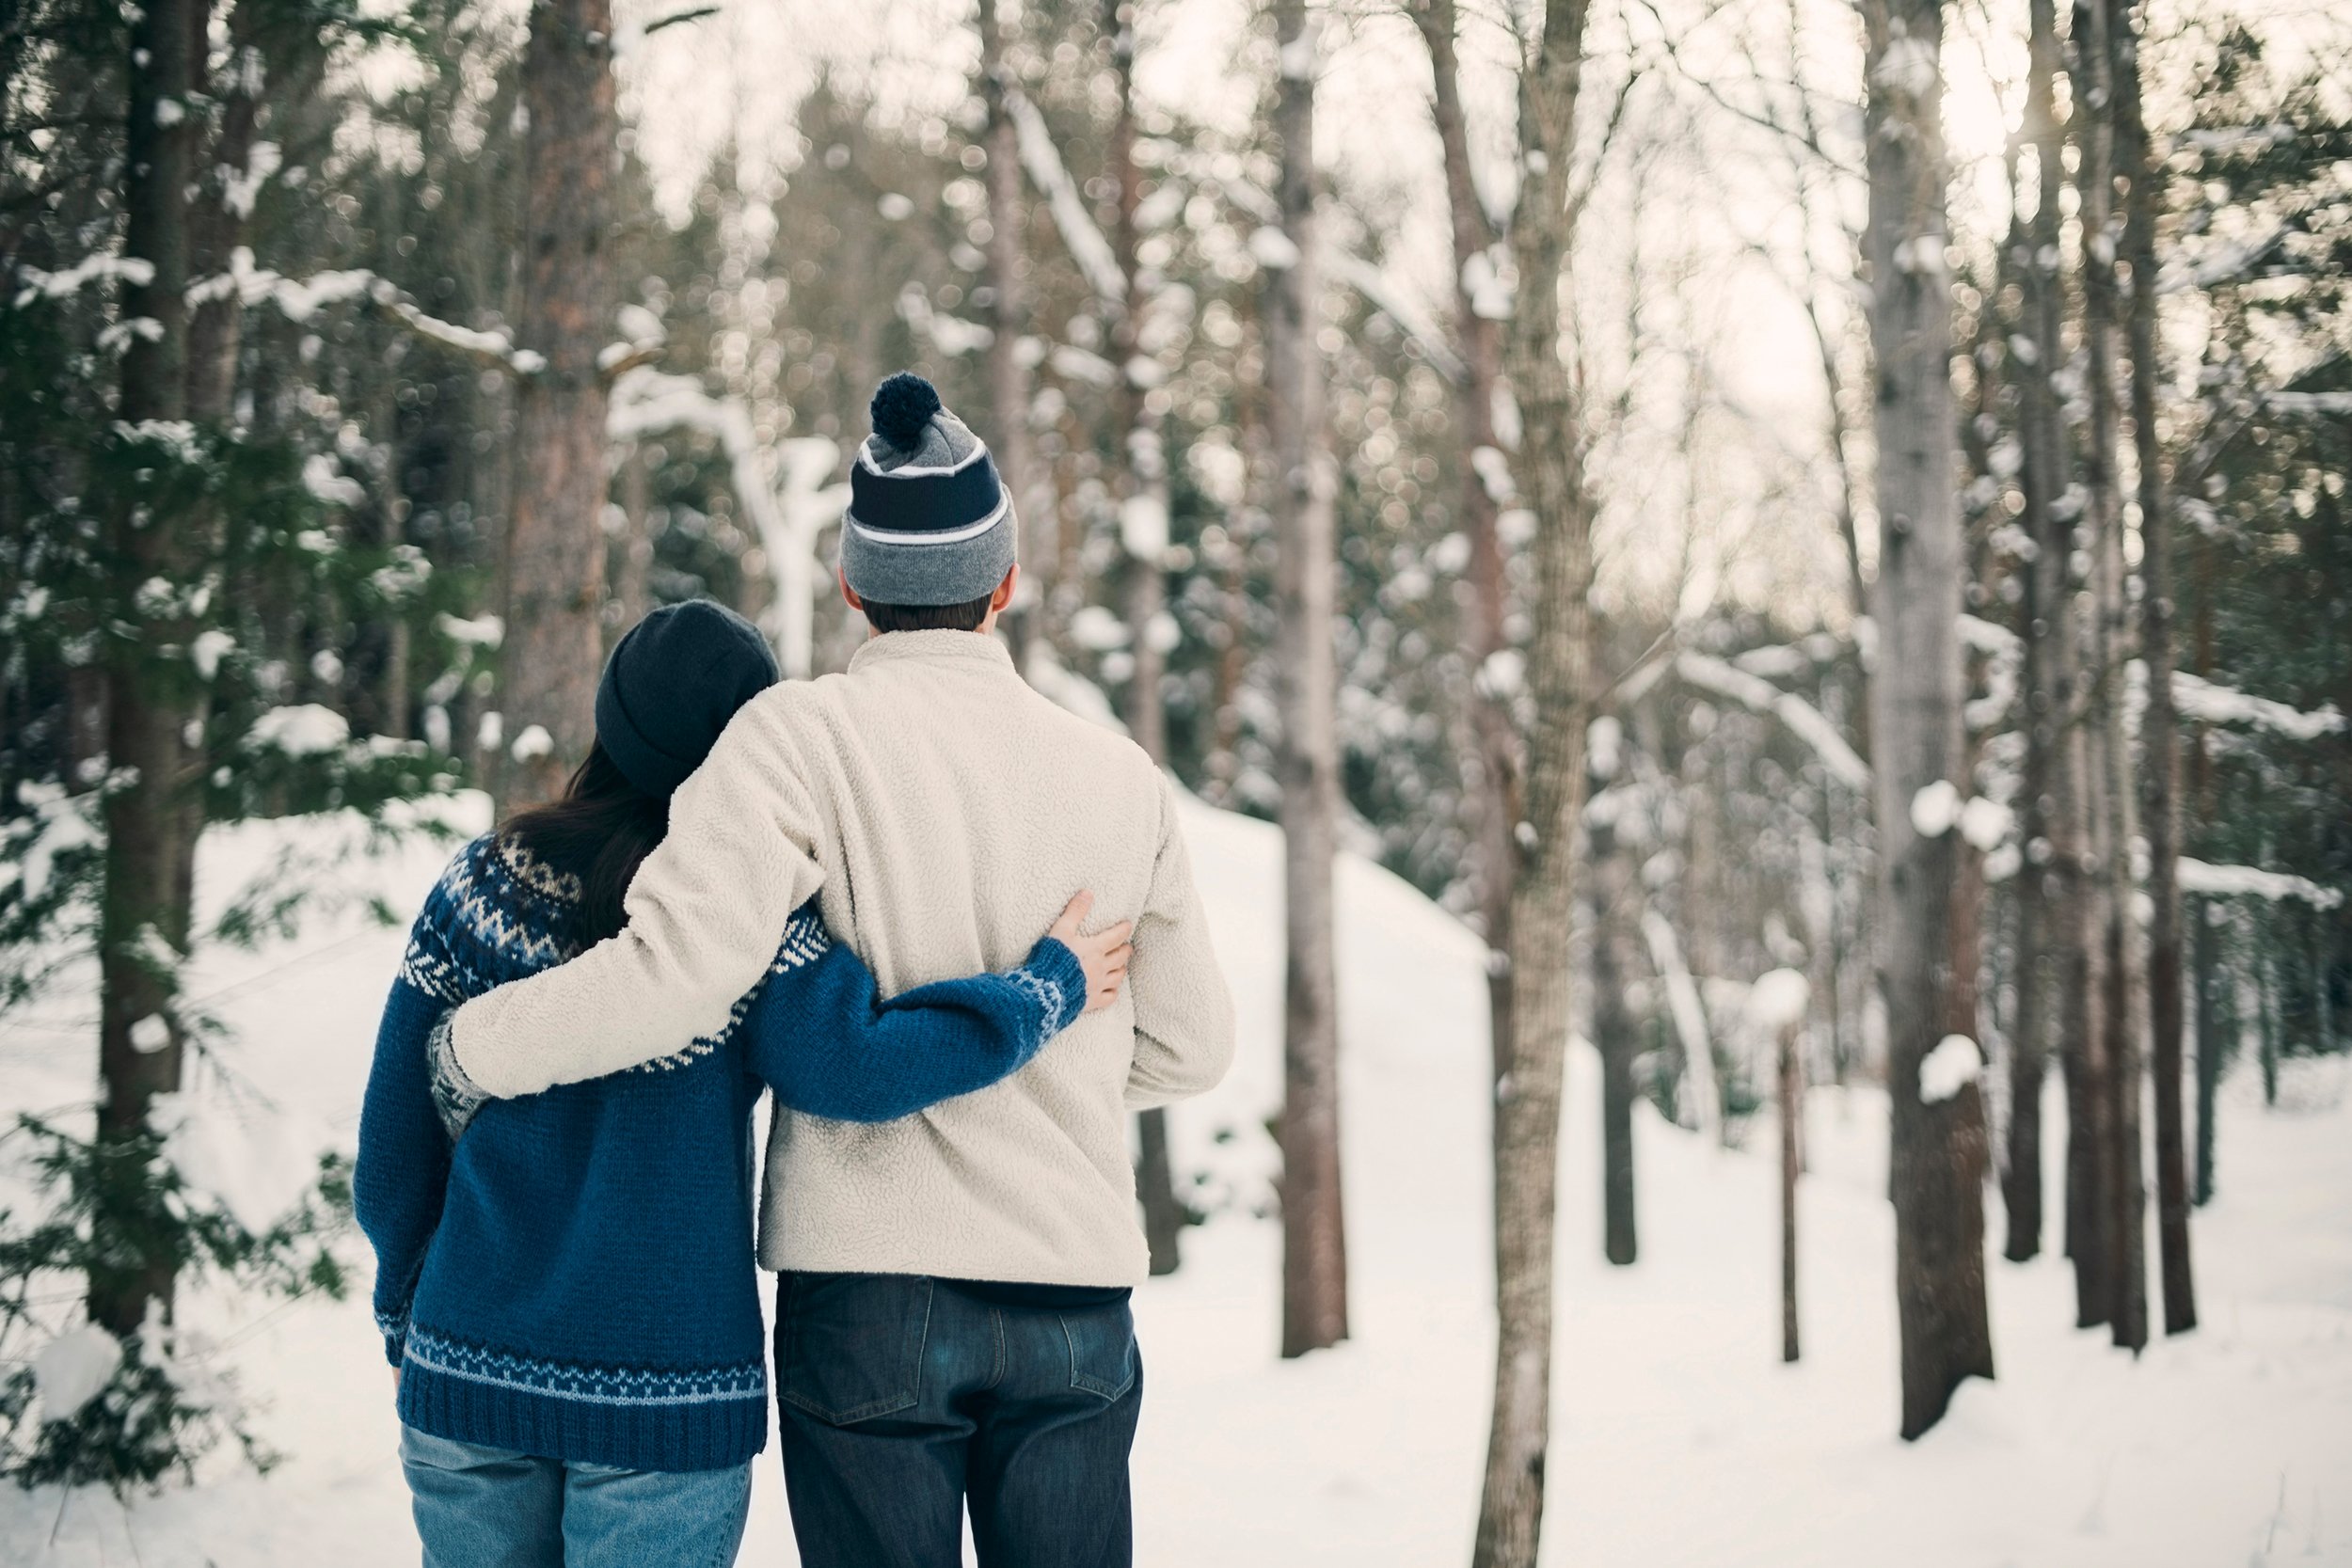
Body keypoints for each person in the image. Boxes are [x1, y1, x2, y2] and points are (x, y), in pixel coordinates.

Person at [437, 372, 1236, 1567]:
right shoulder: (1121, 777)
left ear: (854, 587)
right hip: (1071, 1291)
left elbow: (673, 975)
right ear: (1005, 583)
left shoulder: (797, 738)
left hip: (870, 1294)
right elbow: (1192, 1045)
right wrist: (1046, 1068)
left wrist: (473, 1047)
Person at [355, 598, 1134, 1568]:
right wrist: (1041, 991)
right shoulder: (753, 914)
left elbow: (394, 1149)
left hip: (466, 1370)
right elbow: (858, 1063)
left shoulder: (484, 887)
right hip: (664, 1399)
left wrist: (408, 1325)